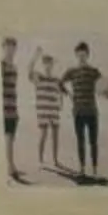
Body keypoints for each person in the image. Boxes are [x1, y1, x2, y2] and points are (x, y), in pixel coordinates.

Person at [62, 41, 104, 178]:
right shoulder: (72, 71)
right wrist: (68, 94)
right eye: (79, 55)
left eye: (84, 55)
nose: (81, 57)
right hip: (78, 112)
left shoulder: (93, 71)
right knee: (80, 141)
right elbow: (59, 83)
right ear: (76, 55)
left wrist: (105, 92)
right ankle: (82, 168)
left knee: (93, 142)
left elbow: (104, 85)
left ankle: (95, 169)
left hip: (92, 111)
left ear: (88, 55)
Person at [31, 47, 63, 176]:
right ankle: (41, 160)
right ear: (43, 64)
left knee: (55, 136)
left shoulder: (56, 79)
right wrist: (36, 55)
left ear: (52, 64)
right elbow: (29, 70)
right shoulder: (39, 77)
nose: (48, 65)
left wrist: (61, 103)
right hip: (43, 110)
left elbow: (60, 92)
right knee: (43, 134)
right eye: (46, 62)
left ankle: (55, 160)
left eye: (50, 63)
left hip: (54, 110)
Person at [0, 37, 20, 172]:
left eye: (13, 47)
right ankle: (10, 166)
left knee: (11, 137)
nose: (10, 50)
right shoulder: (0, 65)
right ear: (4, 48)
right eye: (8, 47)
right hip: (4, 107)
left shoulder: (14, 66)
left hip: (13, 106)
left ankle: (9, 164)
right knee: (6, 137)